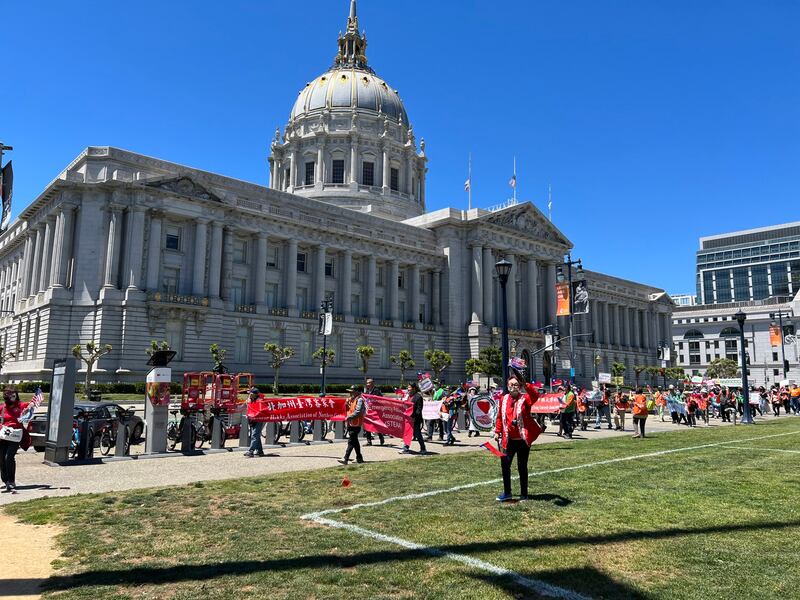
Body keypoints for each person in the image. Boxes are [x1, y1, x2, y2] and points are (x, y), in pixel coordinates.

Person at [494, 371, 541, 502]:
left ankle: (524, 494)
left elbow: (535, 395)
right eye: (511, 384)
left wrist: (525, 383)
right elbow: (499, 417)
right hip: (508, 440)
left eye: (516, 384)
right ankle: (507, 492)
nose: (513, 386)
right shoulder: (503, 399)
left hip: (522, 440)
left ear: (519, 386)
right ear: (507, 386)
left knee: (522, 466)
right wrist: (497, 431)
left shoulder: (525, 398)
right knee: (505, 465)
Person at [1, 388, 29, 492]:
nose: (13, 397)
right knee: (2, 459)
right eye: (11, 396)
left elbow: (30, 407)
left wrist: (29, 408)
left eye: (15, 395)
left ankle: (12, 481)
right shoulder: (2, 408)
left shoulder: (20, 406)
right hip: (3, 436)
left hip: (16, 436)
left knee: (9, 457)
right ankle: (6, 481)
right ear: (6, 397)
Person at [399, 382, 428, 455]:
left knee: (417, 434)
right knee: (407, 434)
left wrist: (414, 417)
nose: (408, 389)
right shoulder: (408, 396)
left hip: (415, 419)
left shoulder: (418, 397)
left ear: (414, 388)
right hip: (408, 419)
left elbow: (419, 409)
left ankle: (423, 448)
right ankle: (405, 448)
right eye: (408, 387)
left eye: (409, 387)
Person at [339, 386, 365, 465]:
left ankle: (345, 458)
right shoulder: (352, 399)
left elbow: (358, 412)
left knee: (351, 441)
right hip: (351, 423)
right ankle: (359, 458)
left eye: (352, 391)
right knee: (355, 441)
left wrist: (349, 417)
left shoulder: (359, 400)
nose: (350, 393)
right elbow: (350, 409)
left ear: (356, 392)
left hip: (356, 424)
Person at [243, 388, 265, 458]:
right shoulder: (250, 400)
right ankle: (260, 451)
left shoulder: (259, 401)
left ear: (255, 395)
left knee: (254, 435)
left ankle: (251, 451)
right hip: (252, 419)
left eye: (251, 393)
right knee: (255, 435)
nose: (249, 394)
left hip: (258, 419)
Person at [362, 379, 385, 446]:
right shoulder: (367, 391)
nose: (368, 384)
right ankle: (369, 441)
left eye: (369, 383)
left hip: (375, 411)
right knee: (367, 425)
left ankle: (381, 438)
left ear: (373, 384)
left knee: (377, 425)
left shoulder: (376, 391)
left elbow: (380, 400)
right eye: (367, 383)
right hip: (368, 411)